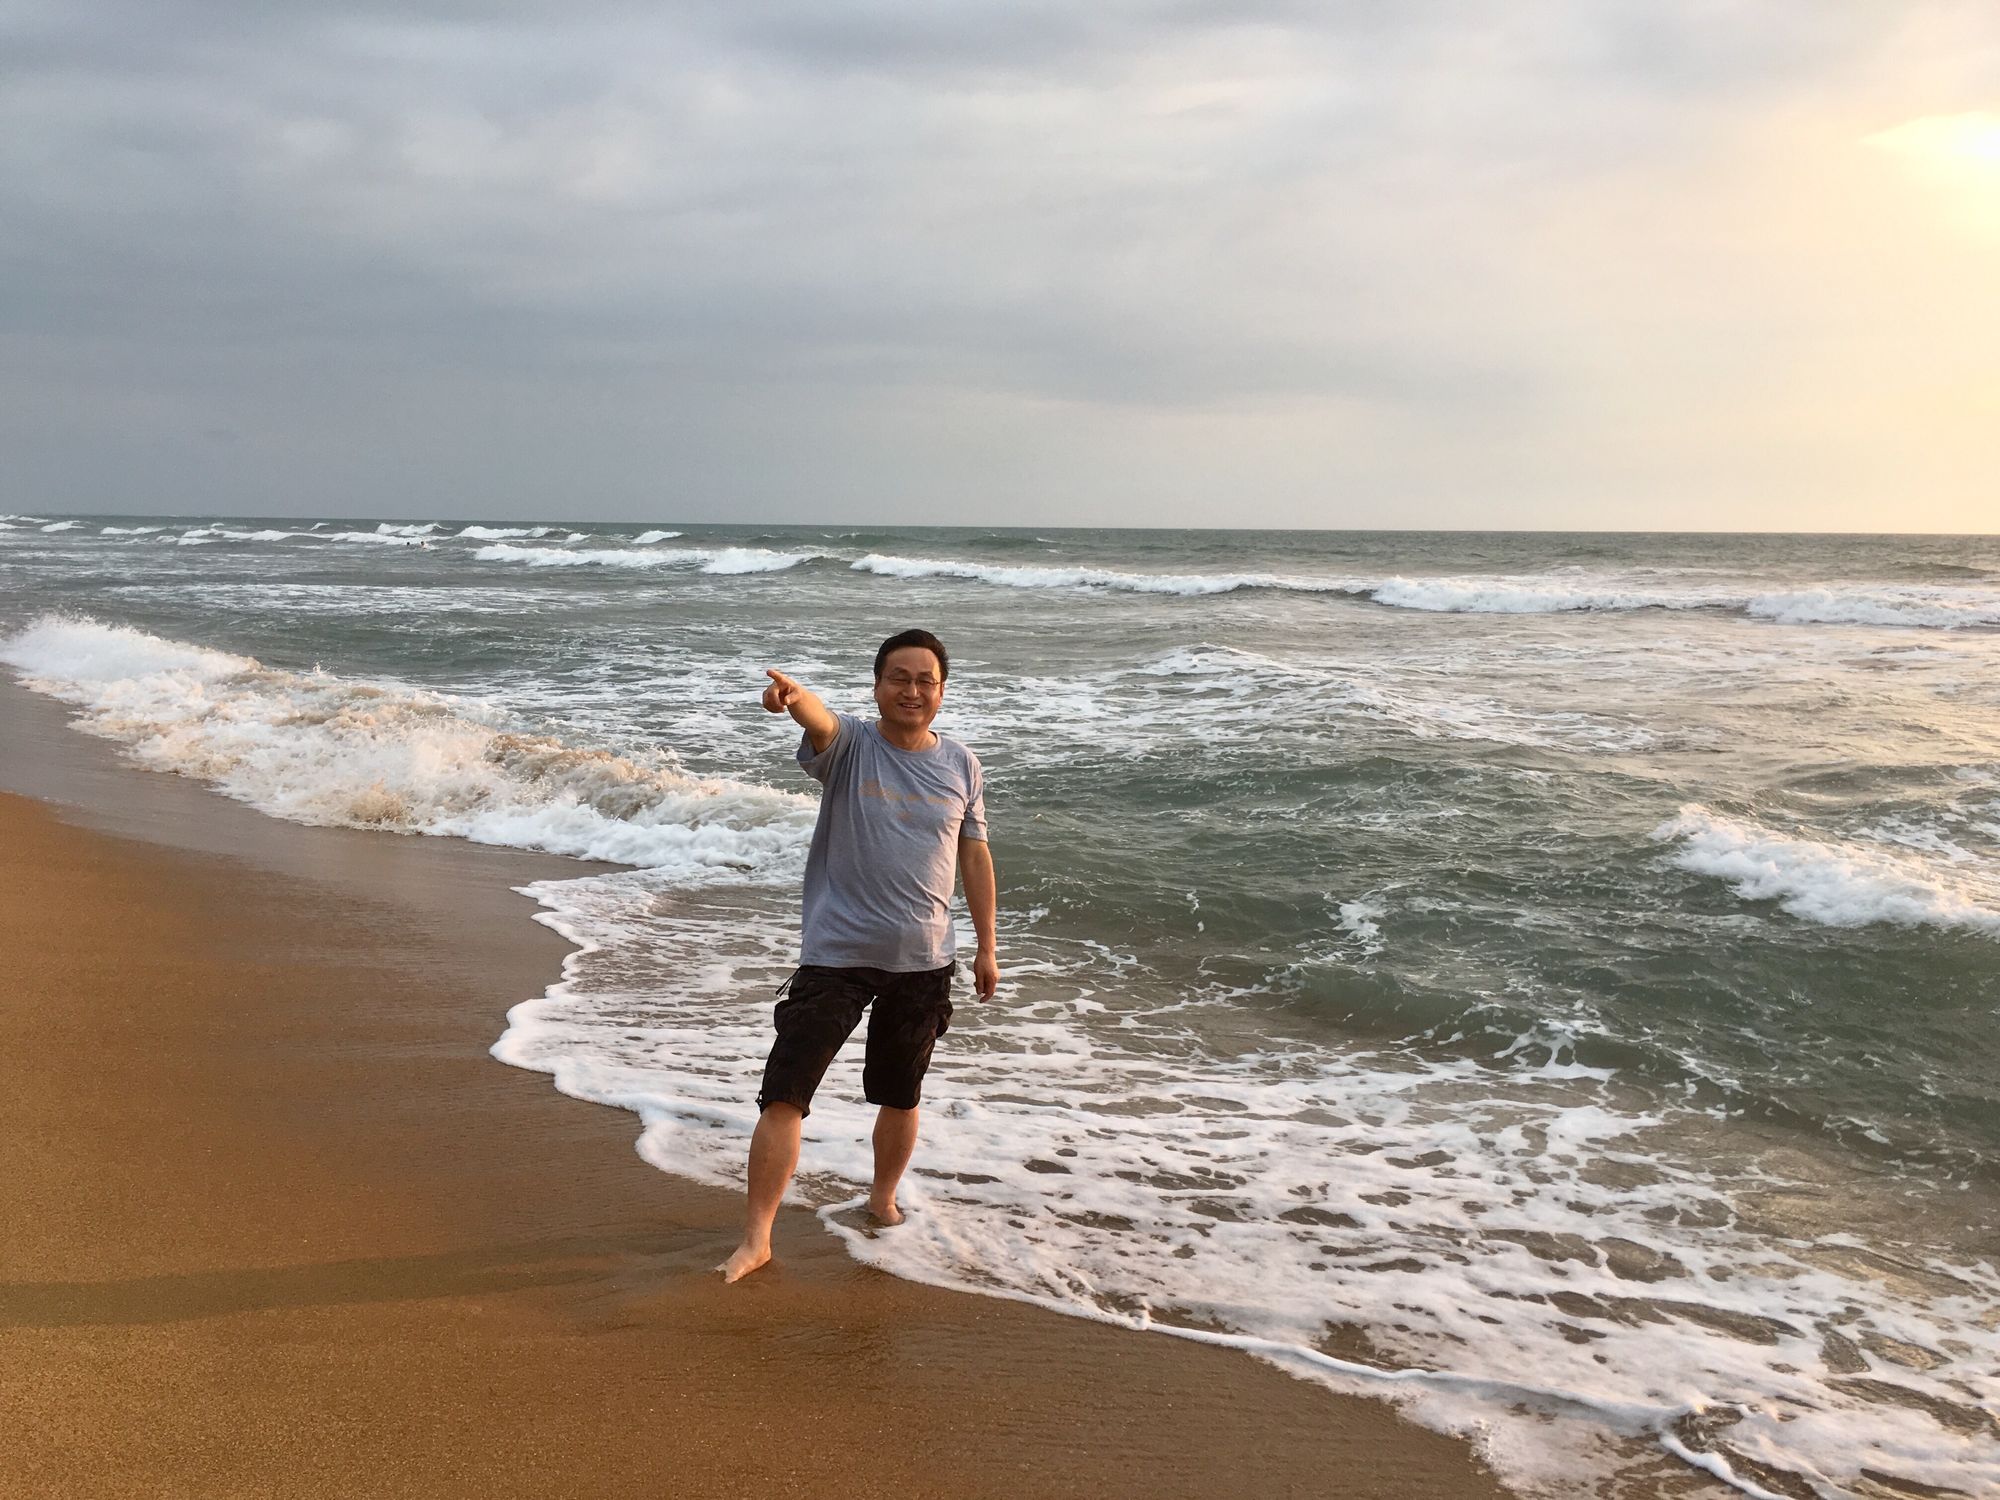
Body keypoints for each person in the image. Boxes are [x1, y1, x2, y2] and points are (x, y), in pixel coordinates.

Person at [718, 628, 999, 1283]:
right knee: (784, 1095)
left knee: (900, 1096)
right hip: (836, 954)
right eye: (898, 677)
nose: (912, 690)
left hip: (924, 958)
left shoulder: (963, 764)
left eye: (925, 679)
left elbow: (975, 855)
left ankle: (882, 1200)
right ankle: (756, 1238)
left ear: (941, 690)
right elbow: (817, 717)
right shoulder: (849, 745)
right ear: (877, 687)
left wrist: (987, 946)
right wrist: (792, 697)